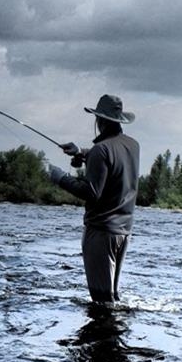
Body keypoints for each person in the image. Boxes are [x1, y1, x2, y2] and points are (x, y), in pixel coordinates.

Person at [49, 94, 140, 303]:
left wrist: (60, 178)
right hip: (124, 232)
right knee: (112, 297)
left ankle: (105, 334)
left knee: (101, 300)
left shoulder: (101, 150)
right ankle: (116, 334)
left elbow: (91, 193)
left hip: (101, 233)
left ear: (101, 120)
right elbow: (112, 158)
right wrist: (81, 152)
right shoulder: (133, 146)